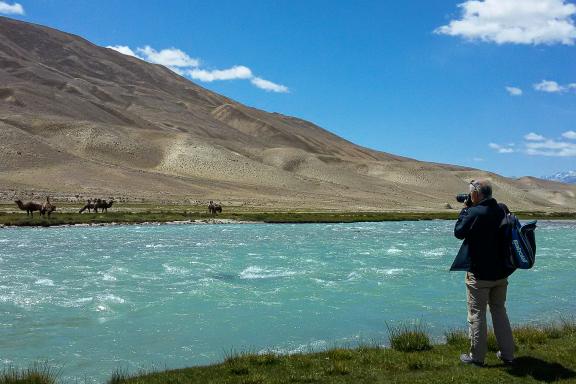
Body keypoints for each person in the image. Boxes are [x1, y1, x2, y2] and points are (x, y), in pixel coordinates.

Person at [451, 179, 515, 366]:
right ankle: (508, 354)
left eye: (471, 193)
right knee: (499, 311)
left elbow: (458, 232)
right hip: (501, 273)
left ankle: (476, 357)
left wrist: (464, 210)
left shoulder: (473, 212)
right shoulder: (502, 209)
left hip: (479, 274)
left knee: (477, 313)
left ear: (476, 195)